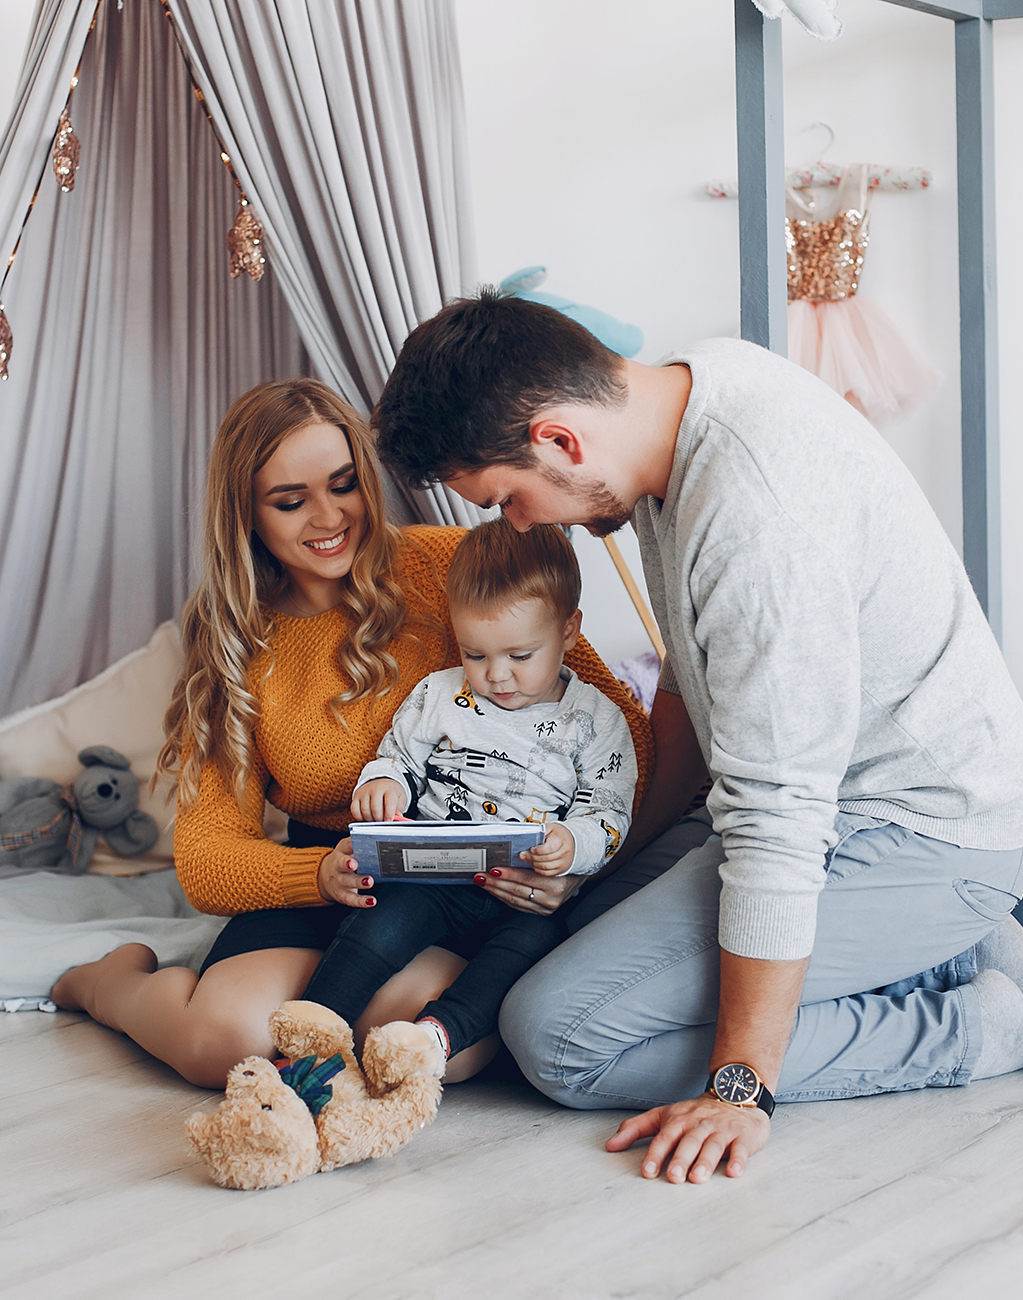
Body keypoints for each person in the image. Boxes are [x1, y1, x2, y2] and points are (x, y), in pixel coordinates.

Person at [371, 289, 1023, 1185]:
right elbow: (688, 689)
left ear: (559, 439)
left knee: (557, 1037)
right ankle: (939, 948)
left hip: (915, 828)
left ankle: (975, 1027)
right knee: (557, 927)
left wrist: (741, 1085)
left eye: (509, 499)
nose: (519, 526)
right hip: (818, 808)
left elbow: (781, 819)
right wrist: (601, 863)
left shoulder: (756, 516)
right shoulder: (680, 406)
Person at [51, 377, 652, 1089]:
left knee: (428, 1047)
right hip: (322, 878)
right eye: (290, 500)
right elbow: (206, 856)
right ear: (246, 513)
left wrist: (577, 867)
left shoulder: (452, 567)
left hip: (449, 882)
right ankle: (109, 984)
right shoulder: (236, 640)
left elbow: (626, 740)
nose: (328, 517)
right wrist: (320, 875)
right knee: (225, 1044)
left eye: (344, 485)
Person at [301, 515, 637, 1075]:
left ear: (570, 631)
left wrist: (569, 844)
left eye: (520, 656)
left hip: (525, 892)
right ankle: (312, 1033)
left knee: (530, 949)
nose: (497, 675)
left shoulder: (595, 720)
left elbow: (608, 811)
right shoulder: (438, 693)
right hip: (433, 876)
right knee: (375, 924)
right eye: (475, 654)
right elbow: (398, 757)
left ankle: (436, 1038)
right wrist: (382, 785)